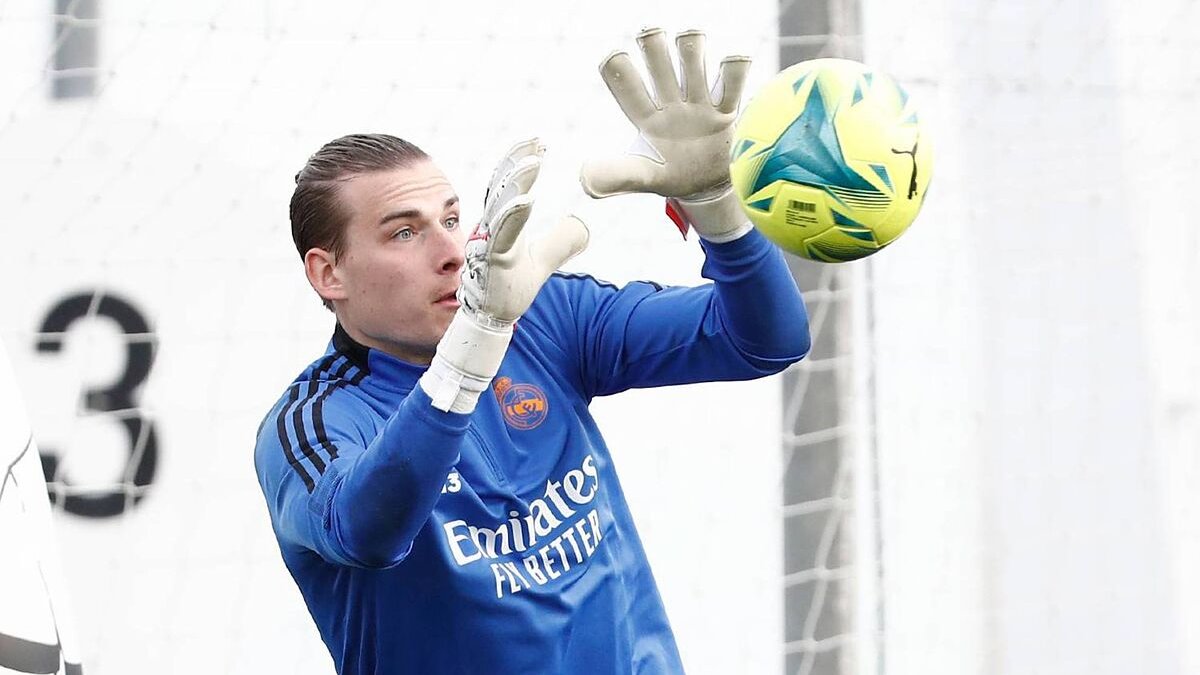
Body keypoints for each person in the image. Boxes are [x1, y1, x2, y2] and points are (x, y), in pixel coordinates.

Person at [254, 27, 810, 674]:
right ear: (329, 274)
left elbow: (765, 340)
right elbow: (369, 529)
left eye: (452, 218)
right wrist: (473, 348)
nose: (451, 251)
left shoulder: (545, 317)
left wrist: (719, 209)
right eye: (405, 232)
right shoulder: (314, 421)